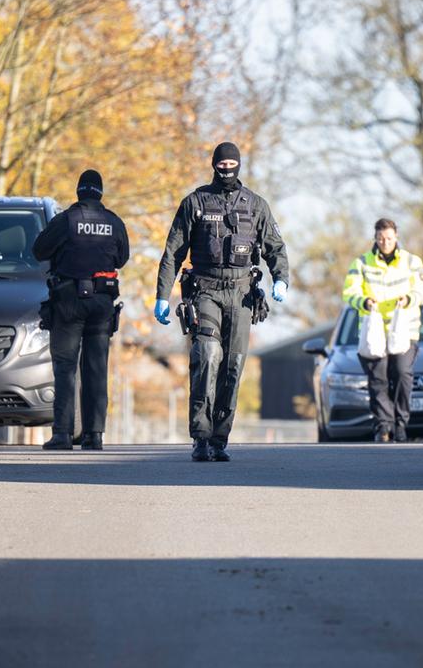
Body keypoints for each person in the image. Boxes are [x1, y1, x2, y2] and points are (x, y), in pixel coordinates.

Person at [154, 141, 289, 462]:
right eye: (221, 164)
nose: (226, 169)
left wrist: (281, 277)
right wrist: (162, 294)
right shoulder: (195, 202)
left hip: (242, 294)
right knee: (207, 355)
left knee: (234, 364)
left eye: (232, 164)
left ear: (238, 165)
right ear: (214, 164)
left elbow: (275, 247)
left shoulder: (256, 206)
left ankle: (219, 438)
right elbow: (173, 252)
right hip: (206, 289)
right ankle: (200, 437)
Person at [32, 169, 130, 451]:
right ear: (100, 193)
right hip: (102, 303)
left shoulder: (65, 221)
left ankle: (62, 434)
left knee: (65, 369)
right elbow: (122, 258)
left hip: (68, 301)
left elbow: (39, 250)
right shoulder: (114, 222)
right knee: (96, 369)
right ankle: (94, 435)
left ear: (78, 191)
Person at [343, 219, 423, 443]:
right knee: (378, 379)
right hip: (374, 333)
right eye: (381, 239)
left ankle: (401, 424)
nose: (385, 243)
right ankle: (383, 427)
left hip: (404, 331)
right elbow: (349, 292)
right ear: (375, 238)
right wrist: (364, 302)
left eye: (389, 238)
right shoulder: (361, 263)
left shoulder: (412, 261)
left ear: (396, 237)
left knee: (402, 374)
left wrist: (409, 298)